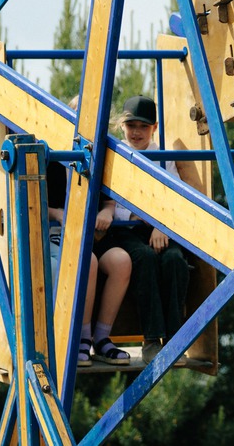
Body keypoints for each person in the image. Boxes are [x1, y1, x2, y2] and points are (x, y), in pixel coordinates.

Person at [99, 95, 191, 362]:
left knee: (175, 259)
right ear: (122, 126)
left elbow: (174, 198)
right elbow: (108, 201)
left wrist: (161, 225)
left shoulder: (162, 157)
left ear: (154, 127)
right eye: (131, 126)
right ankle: (151, 338)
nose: (136, 132)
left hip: (158, 226)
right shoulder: (114, 155)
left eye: (143, 126)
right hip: (124, 230)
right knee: (145, 257)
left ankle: (175, 340)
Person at [51, 95, 132, 365]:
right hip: (60, 234)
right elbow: (34, 201)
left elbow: (109, 201)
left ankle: (102, 337)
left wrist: (106, 212)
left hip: (92, 234)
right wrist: (58, 214)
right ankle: (83, 338)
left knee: (121, 261)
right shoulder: (52, 153)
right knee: (90, 262)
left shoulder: (101, 156)